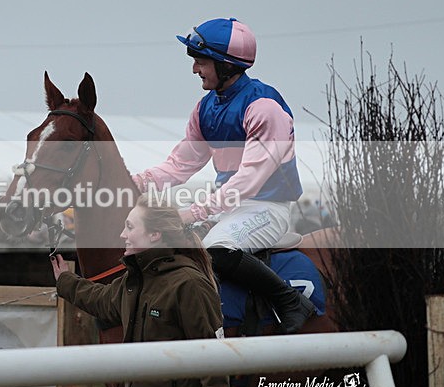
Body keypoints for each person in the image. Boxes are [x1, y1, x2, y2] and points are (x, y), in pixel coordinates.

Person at [131, 17, 314, 334]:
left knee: (216, 248)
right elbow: (180, 165)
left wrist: (195, 212)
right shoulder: (205, 109)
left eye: (201, 62)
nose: (194, 70)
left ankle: (288, 300)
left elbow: (250, 179)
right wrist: (135, 182)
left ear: (226, 65)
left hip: (267, 208)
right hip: (230, 208)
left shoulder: (264, 106)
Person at [51, 194, 229, 387]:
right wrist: (65, 281)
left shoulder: (189, 285)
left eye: (130, 227)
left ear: (155, 234)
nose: (122, 234)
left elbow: (215, 366)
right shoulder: (134, 281)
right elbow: (101, 300)